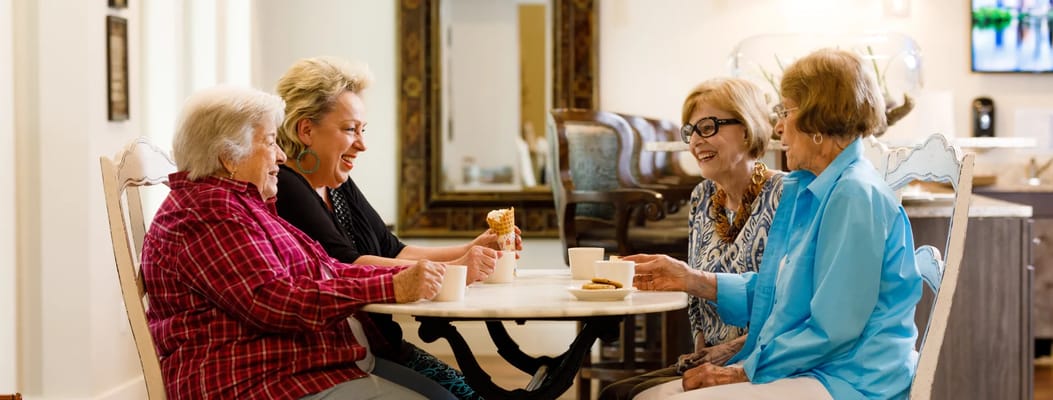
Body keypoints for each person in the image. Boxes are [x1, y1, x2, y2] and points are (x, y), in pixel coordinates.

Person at [633, 48, 922, 400]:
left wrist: (742, 371)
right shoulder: (819, 189)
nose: (778, 126)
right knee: (645, 395)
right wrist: (691, 279)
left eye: (786, 111)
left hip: (851, 378)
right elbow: (781, 292)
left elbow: (834, 329)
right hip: (819, 367)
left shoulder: (853, 194)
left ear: (818, 119)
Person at [140, 85, 449, 399]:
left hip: (307, 368)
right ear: (229, 157)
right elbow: (273, 300)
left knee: (444, 396)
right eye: (270, 141)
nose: (281, 155)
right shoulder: (208, 213)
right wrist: (391, 286)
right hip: (258, 383)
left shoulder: (244, 206)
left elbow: (328, 269)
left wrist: (401, 277)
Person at [272, 56, 521, 400]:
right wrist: (456, 268)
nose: (362, 144)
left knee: (474, 395)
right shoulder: (286, 187)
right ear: (306, 130)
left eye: (363, 130)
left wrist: (471, 249)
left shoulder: (336, 183)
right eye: (350, 129)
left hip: (382, 346)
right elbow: (345, 266)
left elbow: (394, 250)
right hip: (344, 356)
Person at [597, 78, 785, 400]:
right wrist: (700, 351)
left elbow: (789, 305)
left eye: (708, 127)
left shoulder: (784, 195)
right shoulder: (702, 196)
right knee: (615, 393)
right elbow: (696, 298)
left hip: (760, 360)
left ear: (746, 129)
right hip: (711, 357)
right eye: (691, 131)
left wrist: (731, 351)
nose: (696, 141)